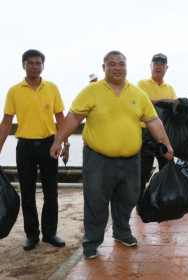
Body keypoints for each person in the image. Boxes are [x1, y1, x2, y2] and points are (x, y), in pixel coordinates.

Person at [50, 50, 174, 259]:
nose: (117, 67)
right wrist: (58, 140)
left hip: (130, 159)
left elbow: (153, 121)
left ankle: (122, 231)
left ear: (126, 66)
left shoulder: (137, 93)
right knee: (96, 201)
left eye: (121, 64)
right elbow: (73, 117)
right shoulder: (91, 91)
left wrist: (167, 143)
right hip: (98, 159)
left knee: (128, 198)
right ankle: (92, 241)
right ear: (103, 68)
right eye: (112, 64)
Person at [0, 49, 68, 251]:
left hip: (49, 145)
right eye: (30, 63)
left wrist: (65, 144)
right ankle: (32, 235)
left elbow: (61, 119)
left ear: (43, 66)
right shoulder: (14, 91)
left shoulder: (52, 88)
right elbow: (6, 123)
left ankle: (50, 233)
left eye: (38, 63)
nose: (34, 66)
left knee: (51, 192)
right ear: (23, 65)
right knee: (27, 193)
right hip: (25, 147)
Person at [137, 53, 178, 200]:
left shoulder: (170, 88)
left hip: (163, 133)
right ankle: (140, 201)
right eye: (156, 64)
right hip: (145, 133)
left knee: (166, 167)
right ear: (150, 66)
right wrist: (168, 100)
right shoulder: (142, 84)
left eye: (162, 64)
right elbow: (145, 102)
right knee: (143, 170)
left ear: (167, 68)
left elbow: (174, 109)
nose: (159, 67)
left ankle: (165, 199)